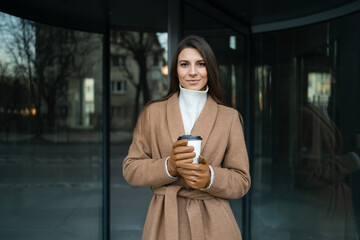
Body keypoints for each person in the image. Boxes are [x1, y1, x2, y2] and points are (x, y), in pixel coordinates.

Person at [123, 35, 251, 240]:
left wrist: (210, 177)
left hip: (215, 225)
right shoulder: (152, 113)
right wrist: (168, 167)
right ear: (175, 70)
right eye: (185, 64)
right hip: (164, 222)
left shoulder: (230, 117)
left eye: (201, 64)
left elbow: (242, 181)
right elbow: (130, 168)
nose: (193, 72)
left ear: (210, 69)